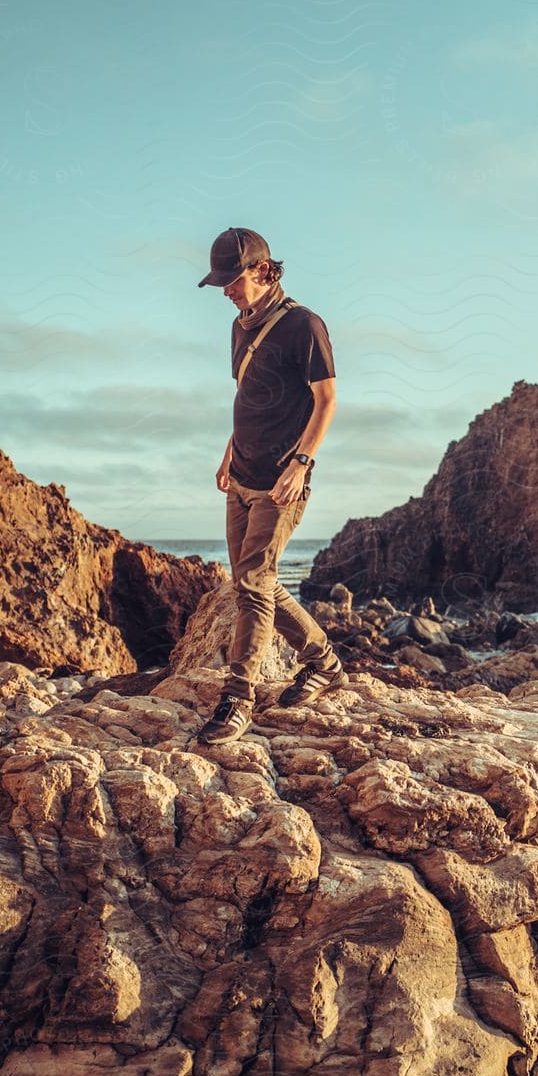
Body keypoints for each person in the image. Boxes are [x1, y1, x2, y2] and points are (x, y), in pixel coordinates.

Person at [195, 226, 349, 744]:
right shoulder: (240, 327)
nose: (226, 291)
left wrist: (301, 463)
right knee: (252, 583)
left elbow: (326, 401)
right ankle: (323, 662)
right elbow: (248, 397)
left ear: (263, 270)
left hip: (282, 482)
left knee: (254, 587)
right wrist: (228, 453)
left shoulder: (305, 325)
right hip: (241, 475)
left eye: (233, 279)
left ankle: (237, 699)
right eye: (220, 283)